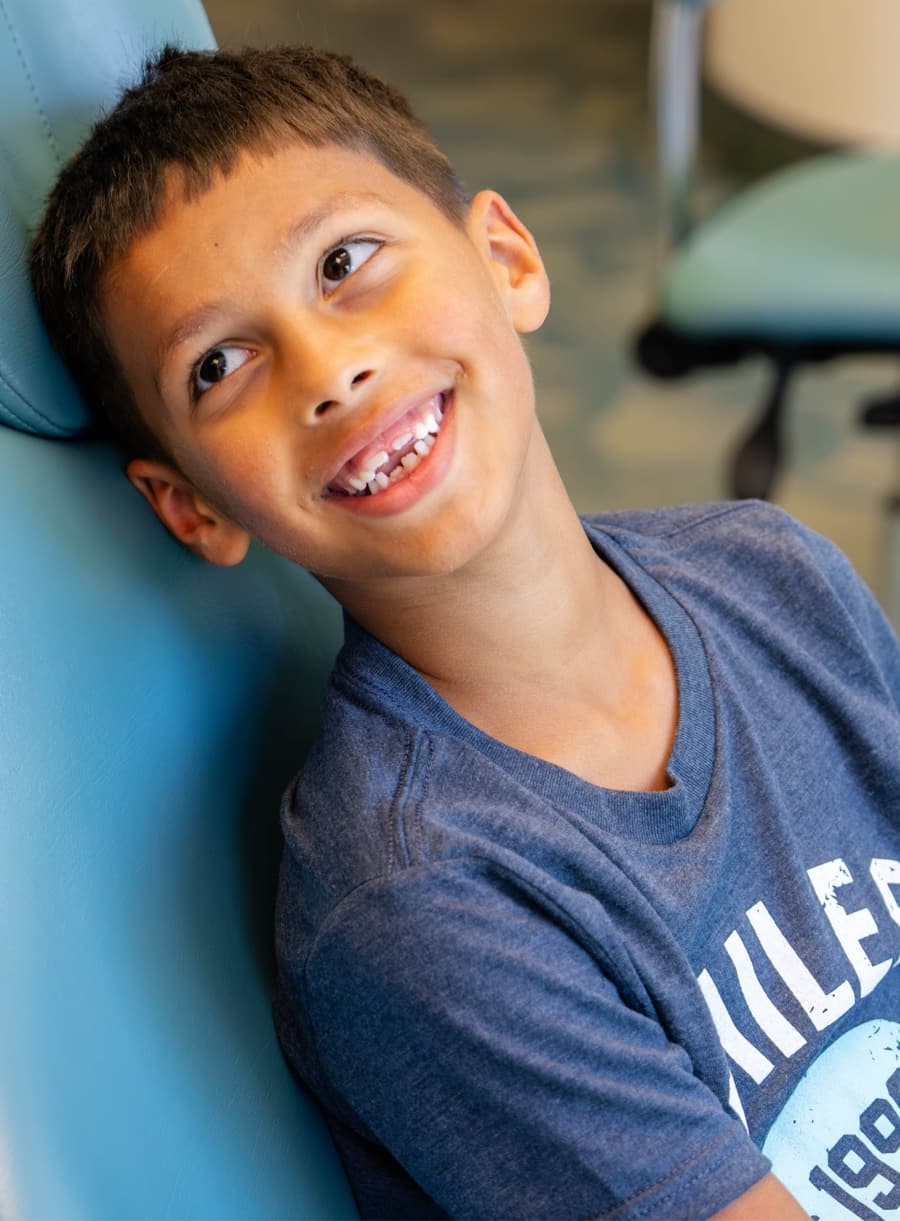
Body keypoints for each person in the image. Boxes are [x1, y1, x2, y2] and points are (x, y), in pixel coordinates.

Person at [30, 43, 900, 1221]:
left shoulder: (775, 571)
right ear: (192, 506)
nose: (329, 371)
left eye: (345, 263)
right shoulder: (416, 903)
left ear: (508, 261)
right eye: (220, 366)